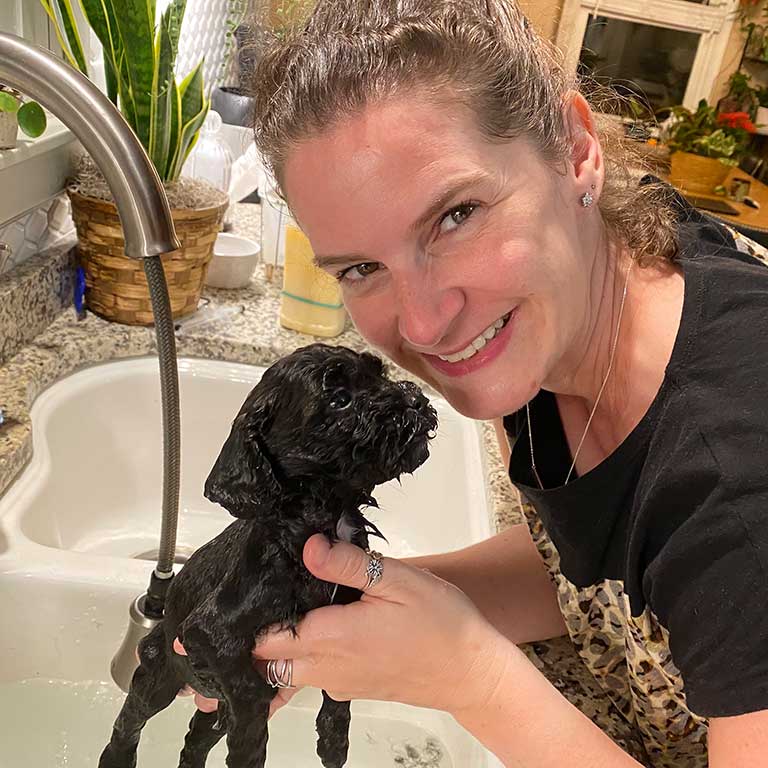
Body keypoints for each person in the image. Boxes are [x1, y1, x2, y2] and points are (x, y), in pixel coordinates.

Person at [177, 1, 768, 765]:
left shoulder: (739, 471)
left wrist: (469, 676)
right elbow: (606, 578)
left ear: (576, 149)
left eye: (457, 216)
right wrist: (335, 601)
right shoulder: (565, 317)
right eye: (361, 268)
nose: (423, 327)